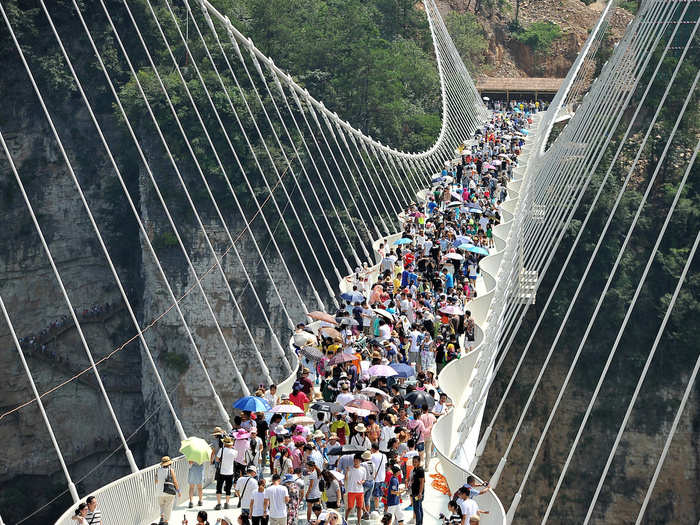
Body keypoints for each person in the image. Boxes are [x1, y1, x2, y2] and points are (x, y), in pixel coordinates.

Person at [154, 456, 179, 524]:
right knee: (168, 507)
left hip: (159, 492)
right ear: (169, 463)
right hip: (169, 492)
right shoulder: (171, 470)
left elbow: (156, 481)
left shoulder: (158, 470)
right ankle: (165, 522)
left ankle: (162, 518)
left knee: (162, 506)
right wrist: (178, 490)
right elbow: (175, 481)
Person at [215, 438, 238, 510]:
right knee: (228, 488)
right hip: (230, 472)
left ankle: (219, 504)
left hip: (221, 471)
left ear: (224, 443)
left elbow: (217, 459)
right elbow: (234, 459)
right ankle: (227, 503)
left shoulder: (221, 450)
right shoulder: (234, 452)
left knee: (219, 487)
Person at [345, 454, 367, 524]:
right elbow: (346, 479)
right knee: (350, 508)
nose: (356, 462)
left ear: (360, 461)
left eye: (357, 460)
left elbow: (364, 479)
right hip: (351, 490)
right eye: (354, 460)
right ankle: (345, 520)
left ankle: (359, 522)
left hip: (360, 491)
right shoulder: (350, 468)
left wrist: (361, 482)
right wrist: (347, 472)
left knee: (359, 507)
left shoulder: (363, 469)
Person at [409, 455, 425, 525]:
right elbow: (416, 478)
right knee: (419, 507)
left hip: (418, 493)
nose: (414, 463)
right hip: (415, 491)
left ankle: (418, 523)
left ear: (419, 462)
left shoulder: (420, 470)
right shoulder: (415, 469)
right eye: (413, 462)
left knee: (416, 508)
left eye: (415, 462)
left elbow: (422, 482)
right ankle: (420, 523)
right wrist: (412, 481)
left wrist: (420, 493)